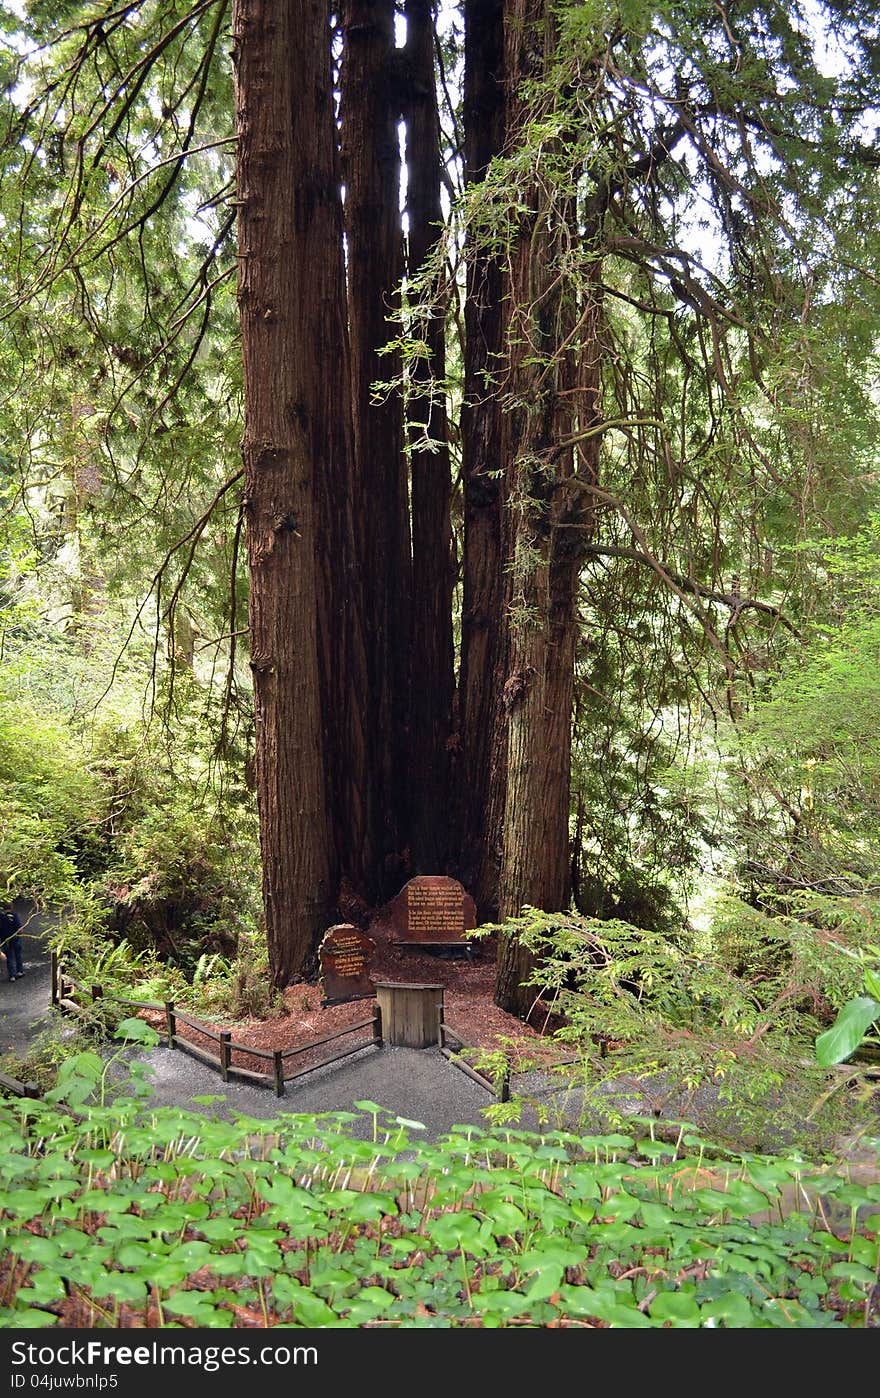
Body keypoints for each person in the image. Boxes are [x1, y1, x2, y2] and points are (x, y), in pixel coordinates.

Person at [0, 903, 24, 981]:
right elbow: (20, 929)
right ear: (11, 907)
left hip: (5, 940)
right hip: (15, 938)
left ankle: (12, 975)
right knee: (18, 955)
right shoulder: (15, 915)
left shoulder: (1, 917)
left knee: (9, 957)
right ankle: (20, 971)